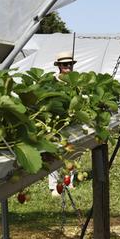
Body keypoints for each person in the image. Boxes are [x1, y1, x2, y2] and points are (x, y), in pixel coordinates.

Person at [48, 51, 77, 196]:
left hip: (71, 120)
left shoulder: (76, 80)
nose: (68, 67)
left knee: (71, 151)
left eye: (70, 64)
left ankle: (69, 181)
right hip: (55, 121)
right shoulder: (52, 80)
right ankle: (54, 185)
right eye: (65, 64)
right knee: (55, 152)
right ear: (59, 65)